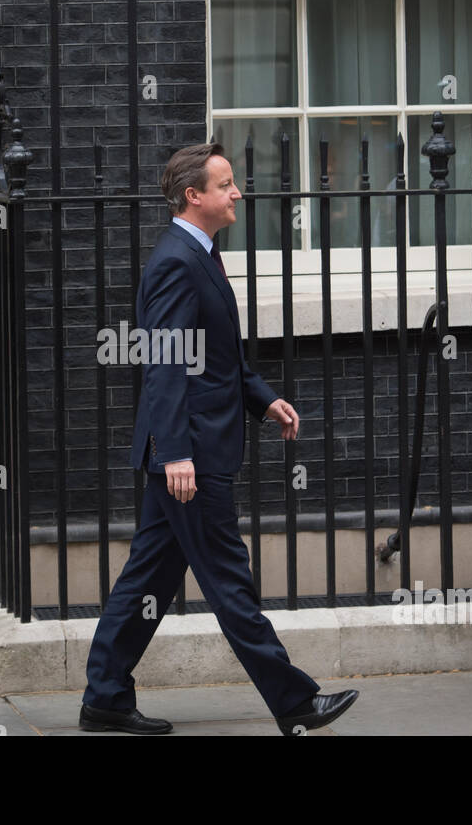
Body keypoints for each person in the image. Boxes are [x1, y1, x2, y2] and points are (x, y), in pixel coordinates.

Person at [80, 142, 359, 735]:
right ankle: (295, 704)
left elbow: (216, 357)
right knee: (230, 580)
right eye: (226, 184)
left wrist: (263, 398)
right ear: (194, 196)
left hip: (190, 453)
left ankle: (104, 696)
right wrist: (176, 452)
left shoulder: (196, 255)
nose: (237, 193)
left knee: (146, 579)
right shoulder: (177, 262)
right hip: (193, 459)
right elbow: (164, 365)